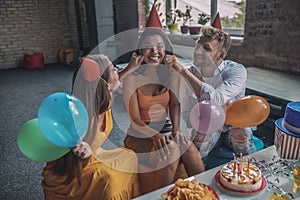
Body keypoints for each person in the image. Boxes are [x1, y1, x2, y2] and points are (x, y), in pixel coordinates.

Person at [41, 54, 141, 200]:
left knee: (130, 156)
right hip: (72, 171)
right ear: (105, 85)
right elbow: (67, 162)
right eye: (114, 70)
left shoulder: (102, 99)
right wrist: (84, 156)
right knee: (108, 179)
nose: (117, 71)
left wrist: (130, 67)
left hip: (92, 157)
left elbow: (111, 82)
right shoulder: (79, 118)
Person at [122, 28, 205, 194]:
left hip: (165, 129)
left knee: (186, 144)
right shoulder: (132, 78)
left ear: (165, 49)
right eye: (148, 46)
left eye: (159, 46)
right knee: (172, 150)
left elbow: (174, 105)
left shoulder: (171, 74)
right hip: (139, 135)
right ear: (140, 50)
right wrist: (155, 136)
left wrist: (176, 131)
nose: (154, 51)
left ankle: (205, 193)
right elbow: (135, 120)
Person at [164, 25, 256, 170]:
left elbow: (215, 99)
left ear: (220, 56)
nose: (197, 52)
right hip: (209, 128)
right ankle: (199, 178)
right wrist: (200, 128)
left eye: (206, 48)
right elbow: (187, 114)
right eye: (197, 46)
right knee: (198, 142)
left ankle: (253, 171)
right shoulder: (189, 74)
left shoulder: (236, 71)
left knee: (240, 134)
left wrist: (182, 71)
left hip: (233, 124)